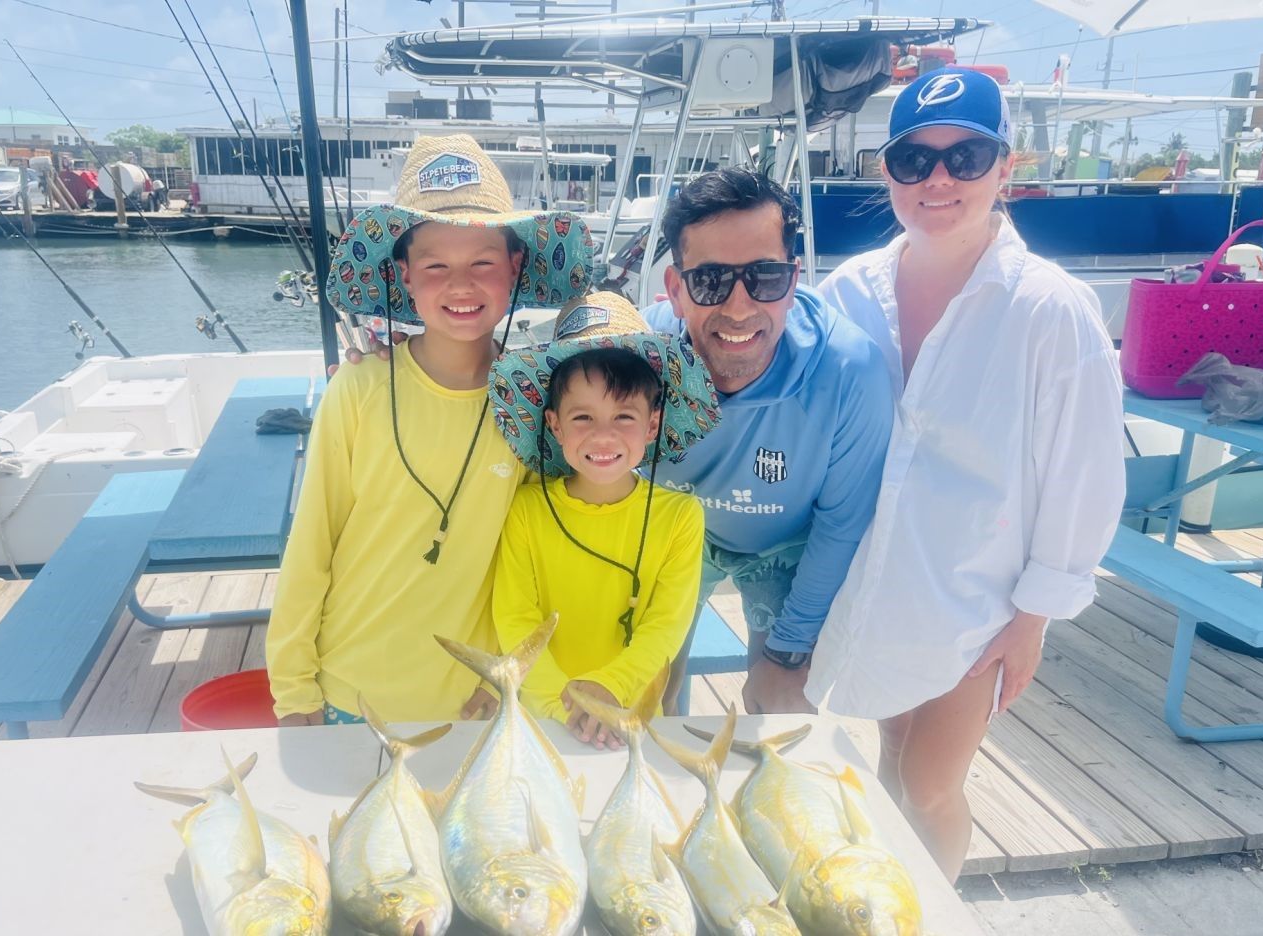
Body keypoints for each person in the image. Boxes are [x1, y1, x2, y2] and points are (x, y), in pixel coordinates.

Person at [806, 69, 1126, 881]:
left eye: (966, 157)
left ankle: (932, 910)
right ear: (887, 170)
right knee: (890, 749)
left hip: (979, 596)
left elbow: (1085, 473)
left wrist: (1034, 615)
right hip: (878, 582)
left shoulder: (1052, 308)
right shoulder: (847, 292)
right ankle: (891, 903)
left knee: (929, 784)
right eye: (914, 159)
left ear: (1004, 167)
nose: (938, 178)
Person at [266, 134, 594, 726]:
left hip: (471, 702)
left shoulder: (535, 403)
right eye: (435, 265)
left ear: (515, 267)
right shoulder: (358, 388)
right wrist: (293, 691)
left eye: (483, 262)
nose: (460, 284)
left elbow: (533, 561)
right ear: (405, 276)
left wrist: (507, 672)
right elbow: (311, 545)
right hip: (347, 691)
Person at [641, 168, 896, 715]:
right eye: (710, 280)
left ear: (794, 280)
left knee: (782, 709)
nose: (739, 308)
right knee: (643, 697)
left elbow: (841, 524)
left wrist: (787, 654)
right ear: (675, 290)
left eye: (765, 277)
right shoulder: (636, 354)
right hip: (672, 533)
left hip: (788, 544)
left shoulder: (849, 371)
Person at [488, 291, 718, 747]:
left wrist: (610, 690)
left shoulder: (681, 517)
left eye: (624, 416)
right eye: (583, 417)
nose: (604, 435)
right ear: (554, 424)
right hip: (542, 719)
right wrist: (567, 707)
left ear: (652, 425)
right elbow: (515, 620)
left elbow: (665, 627)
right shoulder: (526, 509)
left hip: (630, 720)